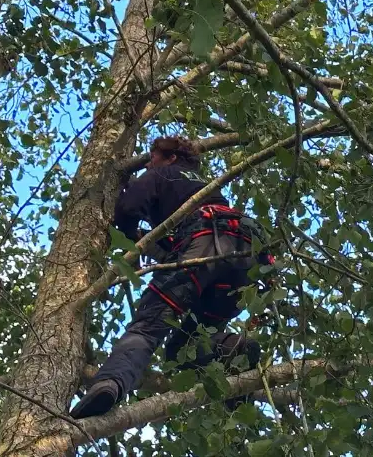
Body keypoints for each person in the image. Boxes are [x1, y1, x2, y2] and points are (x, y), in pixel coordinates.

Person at [69, 136, 271, 419]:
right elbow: (174, 244)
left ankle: (109, 384)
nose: (149, 163)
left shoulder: (162, 173)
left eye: (153, 157)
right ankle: (234, 349)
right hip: (246, 262)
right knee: (182, 349)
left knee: (147, 327)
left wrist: (130, 241)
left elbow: (127, 209)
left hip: (204, 243)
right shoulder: (200, 184)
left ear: (171, 158)